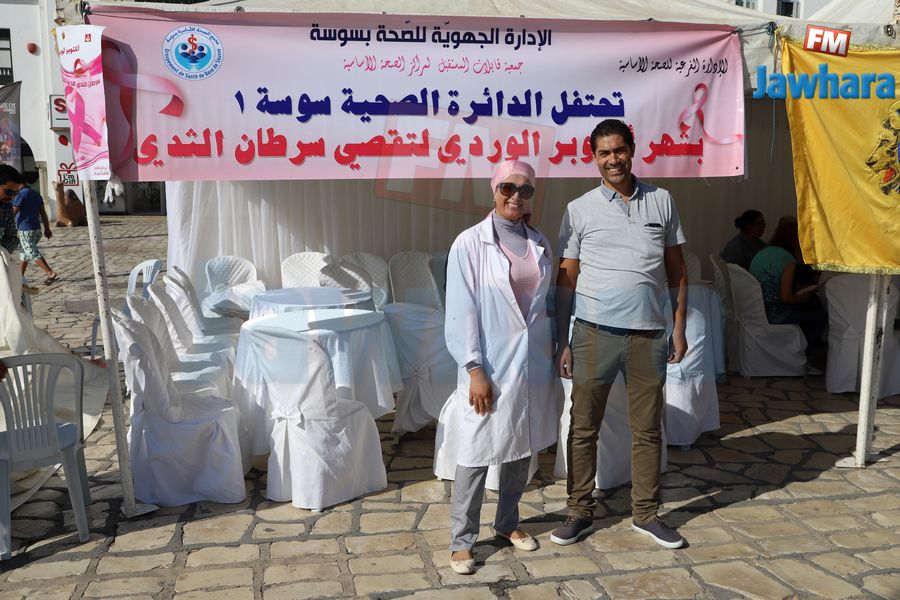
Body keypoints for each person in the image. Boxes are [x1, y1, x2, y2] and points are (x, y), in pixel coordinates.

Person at [551, 119, 688, 550]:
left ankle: (645, 514)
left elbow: (676, 269)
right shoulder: (579, 209)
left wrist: (679, 326)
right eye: (604, 153)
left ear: (632, 149)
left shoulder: (662, 201)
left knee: (647, 429)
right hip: (594, 332)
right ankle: (579, 511)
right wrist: (563, 339)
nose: (613, 160)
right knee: (583, 426)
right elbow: (566, 278)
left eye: (619, 150)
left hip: (649, 335)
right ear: (593, 157)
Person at [444, 160, 558, 575]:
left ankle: (508, 522)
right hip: (488, 364)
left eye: (525, 189)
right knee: (475, 454)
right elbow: (461, 309)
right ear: (493, 190)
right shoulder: (469, 243)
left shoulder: (539, 241)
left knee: (519, 447)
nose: (515, 196)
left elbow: (544, 305)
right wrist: (474, 368)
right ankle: (462, 540)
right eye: (507, 187)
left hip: (531, 363)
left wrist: (555, 348)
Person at [748, 217, 827, 363]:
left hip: (755, 309)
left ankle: (794, 349)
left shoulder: (762, 252)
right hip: (774, 313)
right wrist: (805, 295)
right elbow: (786, 297)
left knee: (810, 307)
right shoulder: (787, 259)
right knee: (819, 316)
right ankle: (804, 356)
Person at [0, 164, 59, 284]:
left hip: (25, 229)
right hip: (36, 229)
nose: (11, 197)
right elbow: (43, 213)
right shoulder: (36, 194)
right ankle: (19, 277)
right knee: (25, 253)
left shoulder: (18, 197)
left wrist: (2, 251)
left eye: (14, 194)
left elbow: (14, 212)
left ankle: (49, 272)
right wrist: (47, 228)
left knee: (30, 251)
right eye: (9, 192)